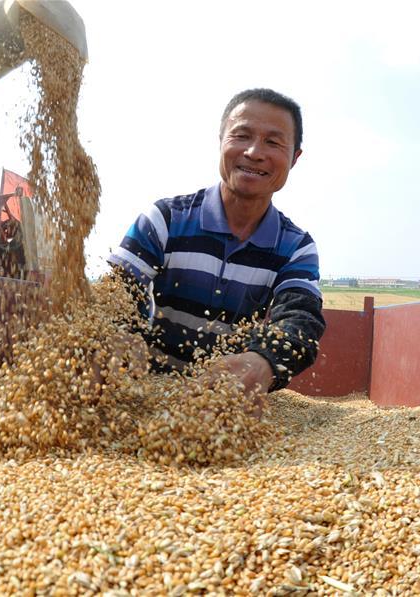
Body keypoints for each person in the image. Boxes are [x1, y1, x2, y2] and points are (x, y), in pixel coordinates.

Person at [107, 88, 325, 401]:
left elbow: (300, 318)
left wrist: (264, 360)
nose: (254, 152)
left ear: (295, 158)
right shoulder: (165, 219)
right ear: (221, 140)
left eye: (273, 142)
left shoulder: (296, 247)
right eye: (241, 135)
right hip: (144, 392)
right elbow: (117, 293)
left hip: (227, 398)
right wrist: (119, 334)